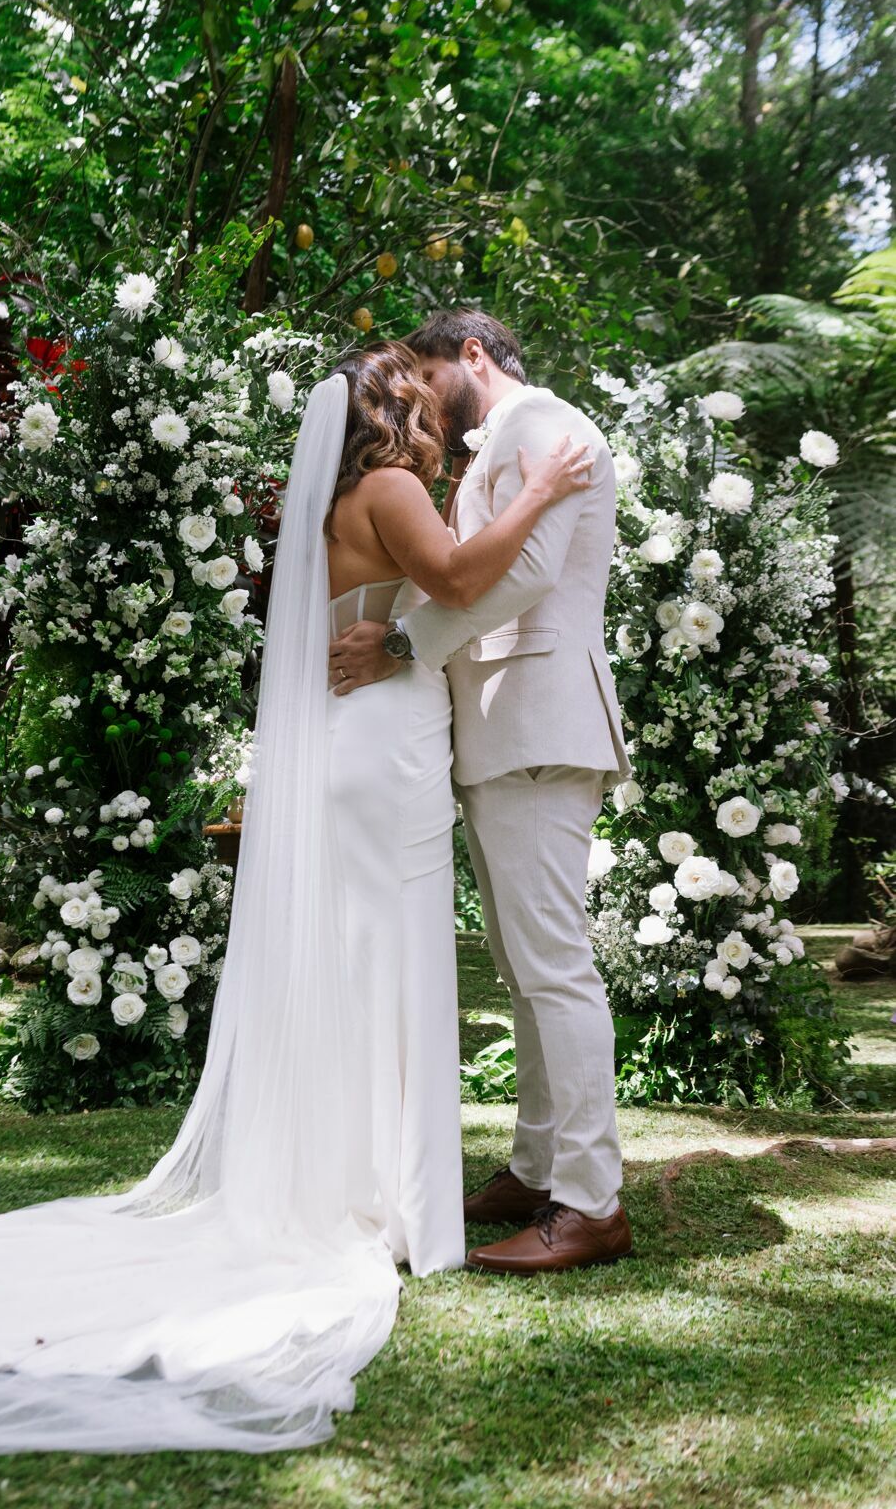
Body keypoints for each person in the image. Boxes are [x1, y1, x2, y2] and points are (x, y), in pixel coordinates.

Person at [0, 341, 591, 1469]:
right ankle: (399, 1207)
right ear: (392, 413)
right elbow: (457, 583)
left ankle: (366, 1188)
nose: (439, 420)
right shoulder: (385, 489)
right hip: (381, 754)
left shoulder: (336, 498)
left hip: (358, 744)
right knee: (394, 965)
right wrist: (538, 489)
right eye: (423, 403)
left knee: (358, 964)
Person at [329, 311, 635, 1276]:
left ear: (472, 354)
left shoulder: (543, 427)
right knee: (524, 967)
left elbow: (530, 569)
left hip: (539, 722)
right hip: (505, 731)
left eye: (426, 371)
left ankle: (590, 1203)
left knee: (553, 967)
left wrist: (406, 645)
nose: (417, 394)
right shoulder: (502, 441)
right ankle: (537, 1167)